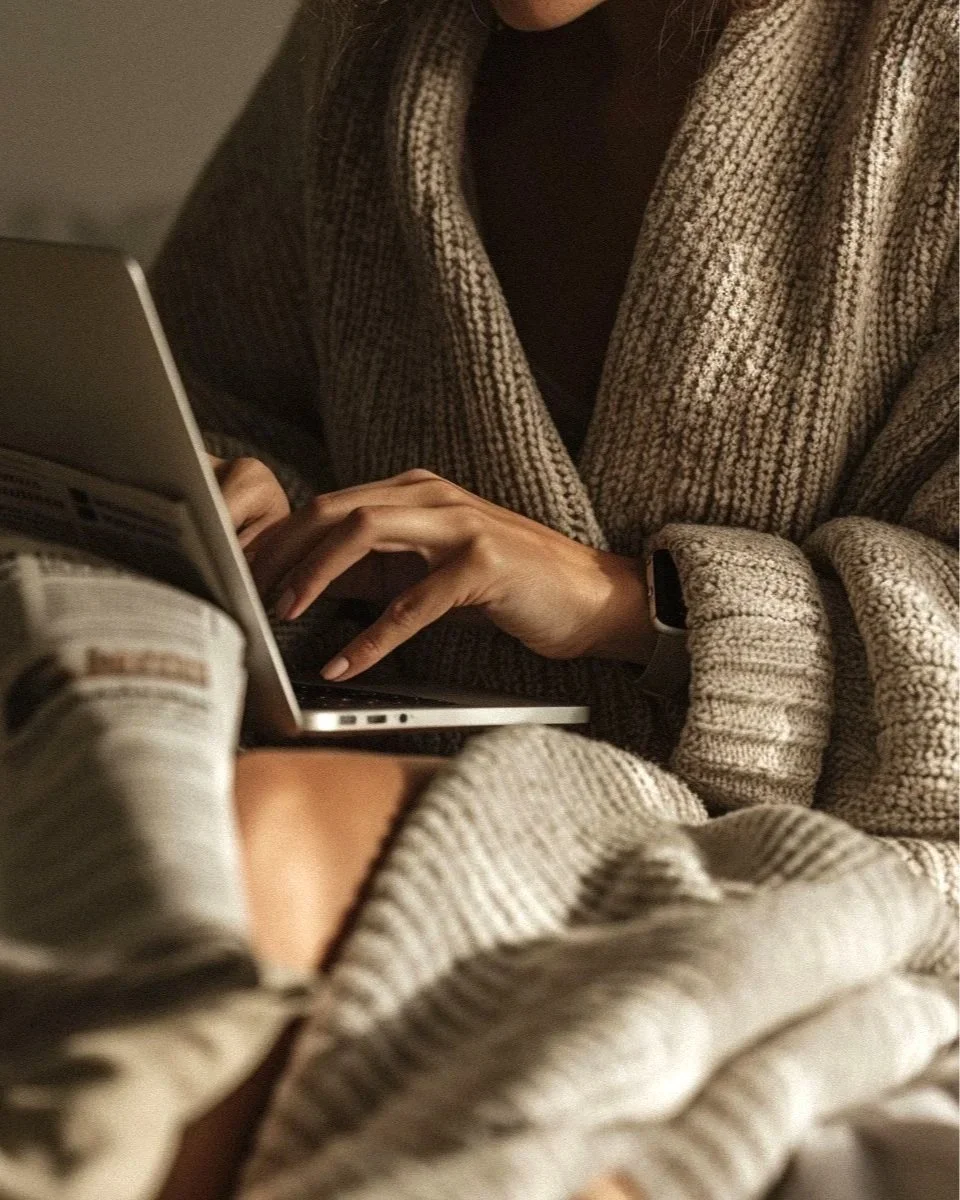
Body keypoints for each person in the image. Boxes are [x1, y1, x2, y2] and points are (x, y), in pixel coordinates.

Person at [53, 0, 960, 1195]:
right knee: (115, 814)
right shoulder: (368, 35)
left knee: (251, 849)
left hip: (853, 833)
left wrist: (630, 605)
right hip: (394, 734)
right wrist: (251, 499)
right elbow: (223, 387)